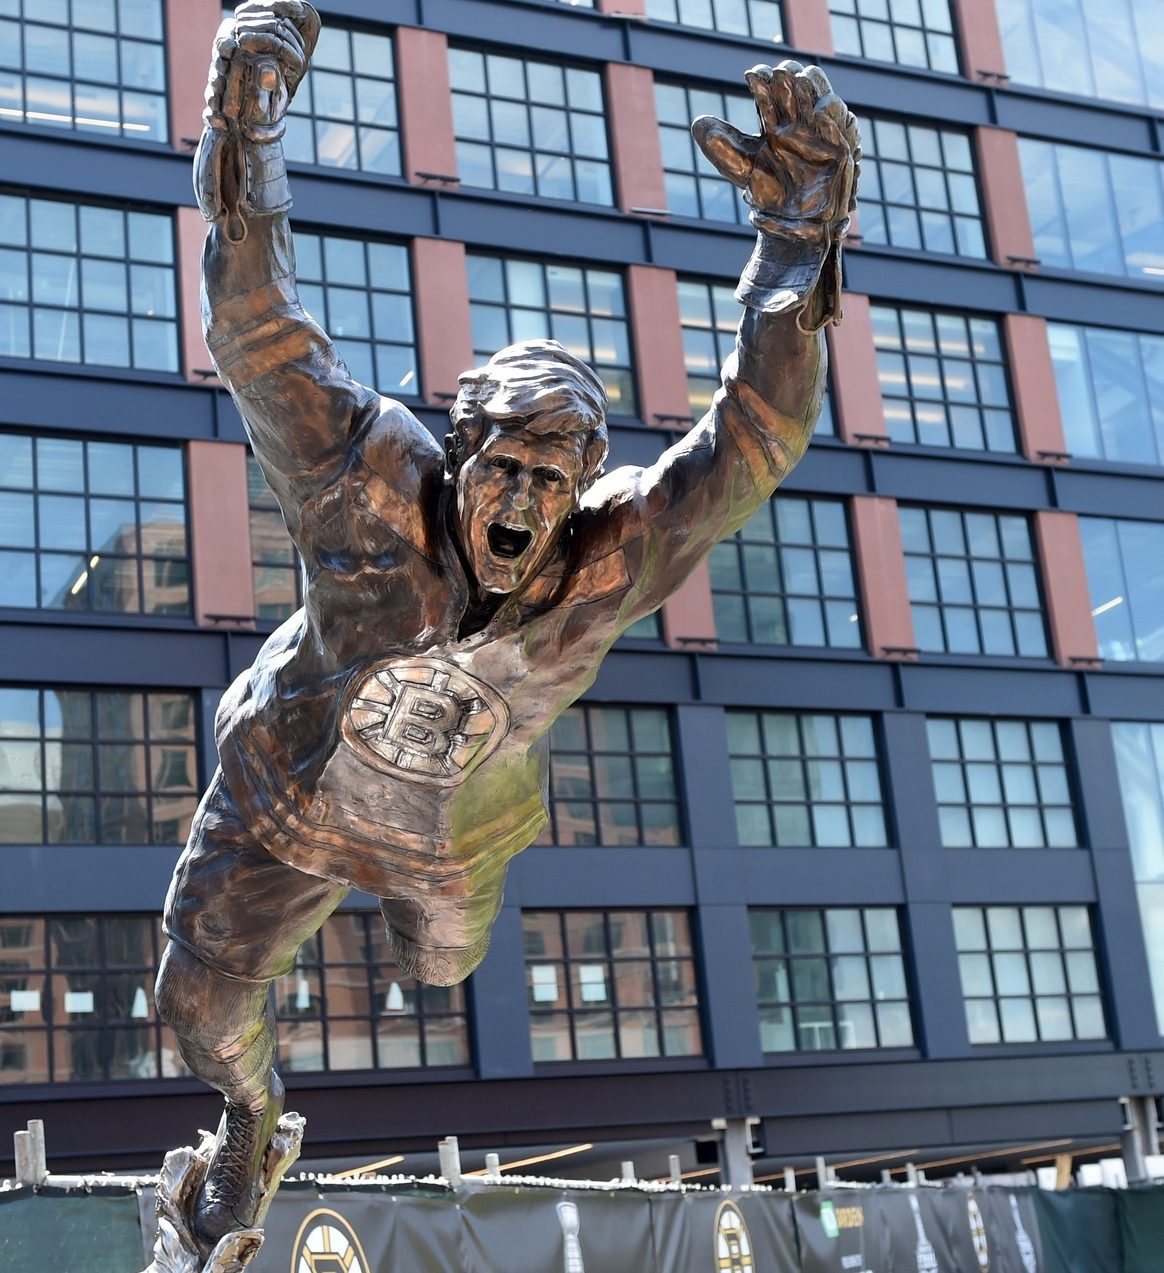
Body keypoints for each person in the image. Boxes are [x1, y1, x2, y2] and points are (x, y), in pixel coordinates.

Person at [154, 0, 860, 1249]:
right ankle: (255, 1117)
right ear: (459, 455)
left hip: (452, 833)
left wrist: (798, 244)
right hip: (291, 784)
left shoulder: (609, 557)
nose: (525, 503)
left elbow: (755, 439)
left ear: (581, 489)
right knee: (193, 1011)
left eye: (552, 479)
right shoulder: (366, 483)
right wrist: (244, 138)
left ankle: (400, 930)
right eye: (505, 469)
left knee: (435, 969)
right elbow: (258, 333)